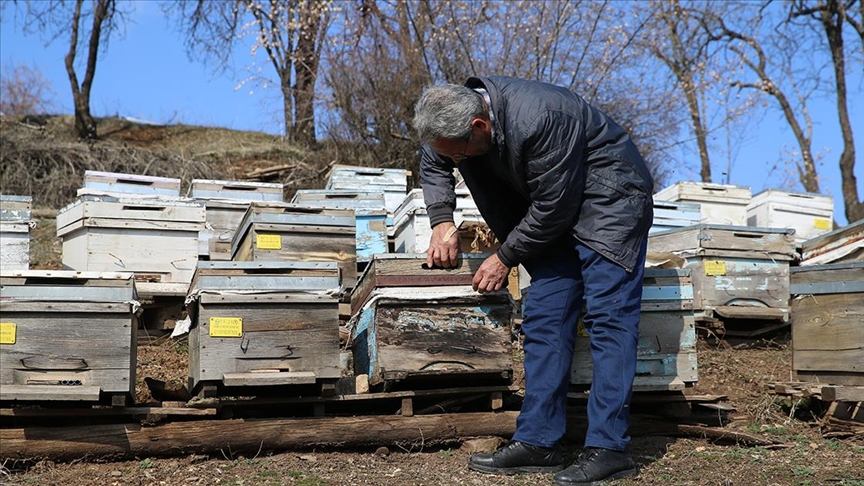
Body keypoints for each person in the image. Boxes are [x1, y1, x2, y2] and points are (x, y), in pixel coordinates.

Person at [413, 76, 654, 485]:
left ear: (479, 126)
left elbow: (554, 206)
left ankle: (609, 449)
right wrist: (440, 220)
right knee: (544, 318)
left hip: (609, 201)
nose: (456, 161)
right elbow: (433, 162)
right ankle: (539, 442)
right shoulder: (447, 125)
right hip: (549, 210)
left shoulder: (542, 116)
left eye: (461, 154)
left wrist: (504, 257)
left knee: (608, 320)